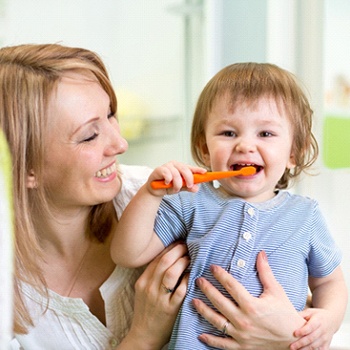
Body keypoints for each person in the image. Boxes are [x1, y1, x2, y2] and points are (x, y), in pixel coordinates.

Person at [112, 63, 348, 349]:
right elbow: (128, 253)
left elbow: (329, 284)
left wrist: (327, 321)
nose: (245, 145)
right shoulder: (190, 202)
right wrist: (150, 193)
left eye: (265, 134)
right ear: (203, 149)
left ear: (293, 153)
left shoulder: (305, 215)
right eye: (228, 133)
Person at [0, 43, 191, 349]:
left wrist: (280, 328)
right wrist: (145, 336)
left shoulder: (167, 201)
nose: (120, 143)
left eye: (111, 115)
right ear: (26, 168)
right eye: (90, 136)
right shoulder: (6, 291)